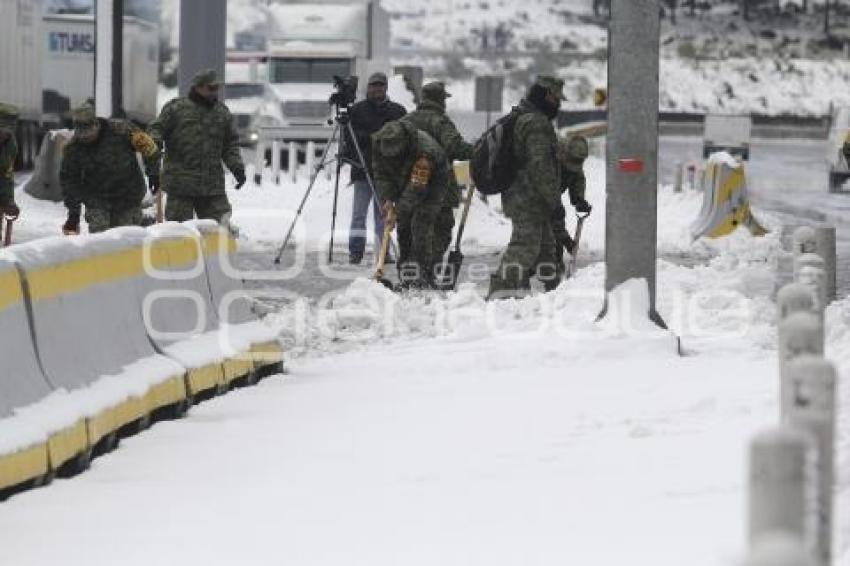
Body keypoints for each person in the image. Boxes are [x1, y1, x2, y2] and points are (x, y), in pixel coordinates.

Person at [488, 76, 566, 300]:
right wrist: (554, 201)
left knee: (546, 248)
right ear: (546, 95)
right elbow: (541, 166)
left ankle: (558, 295)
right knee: (523, 248)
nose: (558, 104)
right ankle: (500, 296)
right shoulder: (536, 124)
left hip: (528, 198)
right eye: (556, 99)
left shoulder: (524, 117)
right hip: (528, 199)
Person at [148, 69, 245, 223]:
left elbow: (230, 144)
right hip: (181, 187)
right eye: (210, 88)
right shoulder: (176, 109)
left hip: (212, 188)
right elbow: (156, 129)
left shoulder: (222, 113)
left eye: (216, 88)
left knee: (220, 229)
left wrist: (237, 167)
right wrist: (155, 144)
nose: (214, 92)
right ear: (198, 87)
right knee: (179, 233)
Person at [401, 81, 474, 271]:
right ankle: (426, 271)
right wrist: (476, 151)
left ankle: (408, 271)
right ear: (441, 101)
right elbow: (455, 148)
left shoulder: (406, 120)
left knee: (410, 230)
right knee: (440, 230)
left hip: (409, 187)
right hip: (438, 189)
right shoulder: (440, 122)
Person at [60, 103, 159, 234]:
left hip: (128, 196)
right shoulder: (73, 148)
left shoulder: (123, 130)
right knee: (99, 236)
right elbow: (69, 182)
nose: (86, 138)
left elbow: (149, 148)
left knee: (126, 236)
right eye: (82, 135)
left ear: (96, 125)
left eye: (89, 133)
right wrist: (73, 214)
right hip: (96, 199)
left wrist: (153, 173)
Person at [372, 120, 449, 288]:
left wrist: (397, 211)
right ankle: (406, 275)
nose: (390, 155)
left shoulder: (425, 152)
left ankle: (423, 275)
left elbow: (416, 188)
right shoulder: (379, 143)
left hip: (433, 184)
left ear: (404, 143)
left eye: (395, 152)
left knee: (421, 225)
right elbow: (380, 173)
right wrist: (387, 200)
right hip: (403, 178)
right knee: (404, 228)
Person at [346, 71, 406, 264]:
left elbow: (404, 140)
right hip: (362, 171)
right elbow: (349, 141)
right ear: (368, 88)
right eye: (373, 85)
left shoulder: (398, 111)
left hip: (387, 174)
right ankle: (356, 252)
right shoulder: (356, 111)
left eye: (380, 85)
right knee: (358, 215)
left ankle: (383, 251)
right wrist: (371, 142)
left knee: (383, 216)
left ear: (386, 87)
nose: (377, 89)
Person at [534, 135, 593, 291]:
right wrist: (566, 239)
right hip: (530, 197)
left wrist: (579, 199)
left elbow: (577, 177)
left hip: (550, 200)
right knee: (541, 244)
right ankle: (518, 287)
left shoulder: (573, 157)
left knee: (555, 247)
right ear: (563, 154)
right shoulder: (547, 160)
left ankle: (555, 289)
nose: (573, 166)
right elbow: (554, 212)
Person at [0, 103, 20, 219]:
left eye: (8, 132)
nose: (4, 135)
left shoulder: (10, 145)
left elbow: (6, 174)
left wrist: (9, 201)